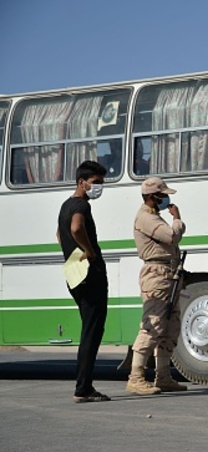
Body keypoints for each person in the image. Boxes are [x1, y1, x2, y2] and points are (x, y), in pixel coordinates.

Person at [126, 177, 188, 395]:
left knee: (170, 326)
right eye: (163, 195)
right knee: (152, 325)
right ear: (152, 197)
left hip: (168, 274)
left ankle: (163, 376)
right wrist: (177, 219)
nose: (166, 199)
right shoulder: (145, 218)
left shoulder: (154, 216)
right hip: (157, 274)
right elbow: (171, 236)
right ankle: (136, 376)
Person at [57, 161, 111, 403]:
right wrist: (88, 251)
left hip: (75, 275)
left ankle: (84, 385)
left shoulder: (65, 205)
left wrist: (71, 253)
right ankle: (83, 388)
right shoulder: (80, 205)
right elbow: (76, 228)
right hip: (90, 275)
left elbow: (60, 234)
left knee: (88, 328)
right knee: (92, 331)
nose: (98, 187)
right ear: (82, 182)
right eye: (96, 182)